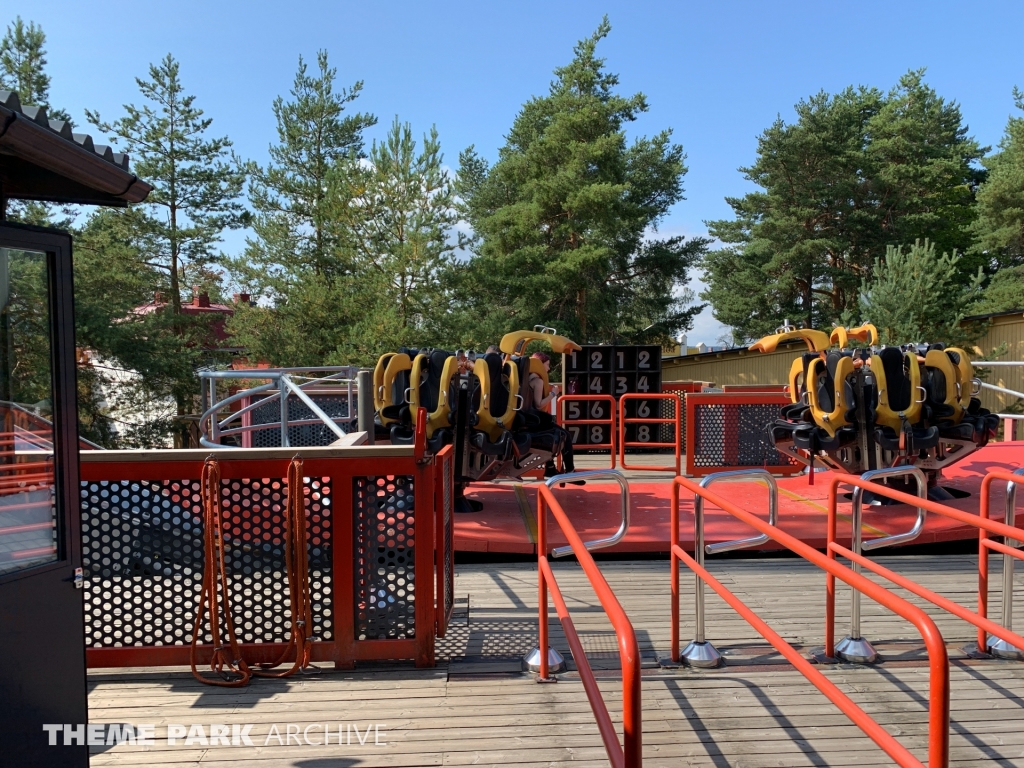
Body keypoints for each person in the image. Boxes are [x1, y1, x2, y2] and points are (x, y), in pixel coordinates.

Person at [529, 352, 582, 483]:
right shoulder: (538, 381)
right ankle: (570, 471)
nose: (548, 368)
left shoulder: (526, 378)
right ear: (539, 365)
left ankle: (551, 467)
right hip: (534, 420)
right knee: (565, 435)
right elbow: (538, 404)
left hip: (528, 418)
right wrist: (554, 393)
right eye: (546, 365)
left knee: (553, 432)